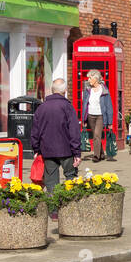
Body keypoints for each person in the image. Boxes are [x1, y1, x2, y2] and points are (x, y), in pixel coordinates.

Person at [30, 77, 81, 208]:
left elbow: (35, 131)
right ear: (64, 91)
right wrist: (77, 152)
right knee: (70, 177)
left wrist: (36, 149)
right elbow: (74, 131)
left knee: (51, 182)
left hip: (47, 151)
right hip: (66, 150)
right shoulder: (67, 107)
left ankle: (53, 210)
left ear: (52, 91)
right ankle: (71, 207)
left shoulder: (41, 108)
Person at [80, 70, 113, 162]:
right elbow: (84, 105)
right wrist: (84, 119)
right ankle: (101, 154)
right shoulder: (87, 89)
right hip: (90, 115)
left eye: (90, 78)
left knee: (97, 135)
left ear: (95, 79)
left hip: (100, 116)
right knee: (96, 136)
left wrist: (110, 121)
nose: (88, 79)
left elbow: (109, 105)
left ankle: (96, 156)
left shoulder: (104, 90)